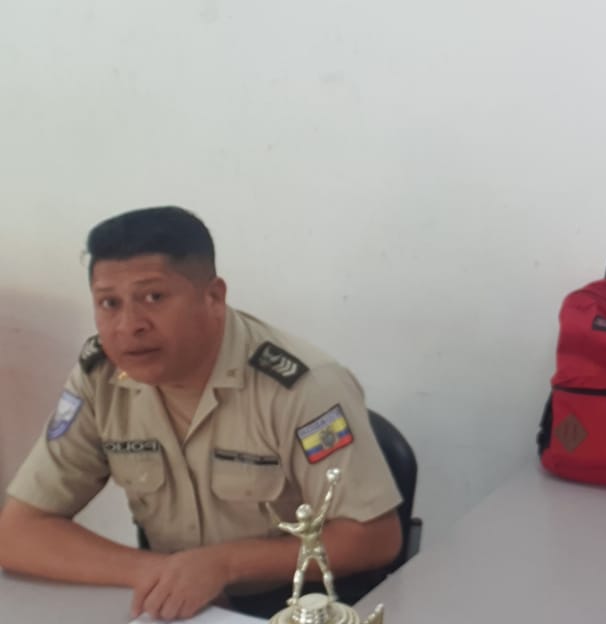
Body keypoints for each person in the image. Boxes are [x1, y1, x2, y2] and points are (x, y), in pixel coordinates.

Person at [0, 206, 404, 621]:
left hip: (301, 603)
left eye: (153, 297)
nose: (129, 325)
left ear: (213, 297)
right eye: (109, 303)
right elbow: (16, 534)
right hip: (181, 603)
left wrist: (225, 565)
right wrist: (160, 572)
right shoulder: (100, 378)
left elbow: (377, 537)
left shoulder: (301, 386)